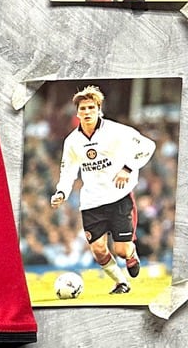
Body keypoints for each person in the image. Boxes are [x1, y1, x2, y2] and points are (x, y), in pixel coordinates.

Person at [51, 86, 157, 293]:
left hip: (119, 196)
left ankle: (131, 254)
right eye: (83, 108)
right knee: (99, 250)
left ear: (99, 110)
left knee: (121, 250)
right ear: (77, 113)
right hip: (91, 201)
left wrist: (128, 168)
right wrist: (61, 192)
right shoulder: (72, 141)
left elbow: (148, 146)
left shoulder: (117, 131)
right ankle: (121, 283)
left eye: (91, 107)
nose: (87, 112)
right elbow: (68, 171)